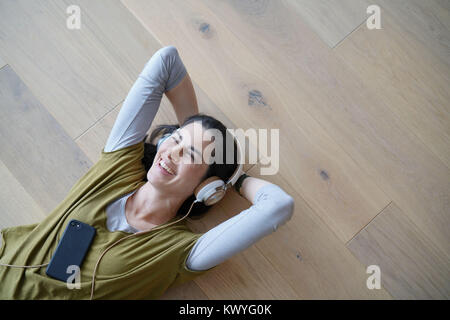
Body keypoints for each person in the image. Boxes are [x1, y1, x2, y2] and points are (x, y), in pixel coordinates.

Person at [0, 46, 294, 299]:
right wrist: (196, 126)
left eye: (190, 154)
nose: (171, 152)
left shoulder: (178, 251)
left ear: (206, 188)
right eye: (175, 140)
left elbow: (278, 206)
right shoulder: (119, 164)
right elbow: (167, 60)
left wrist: (235, 180)